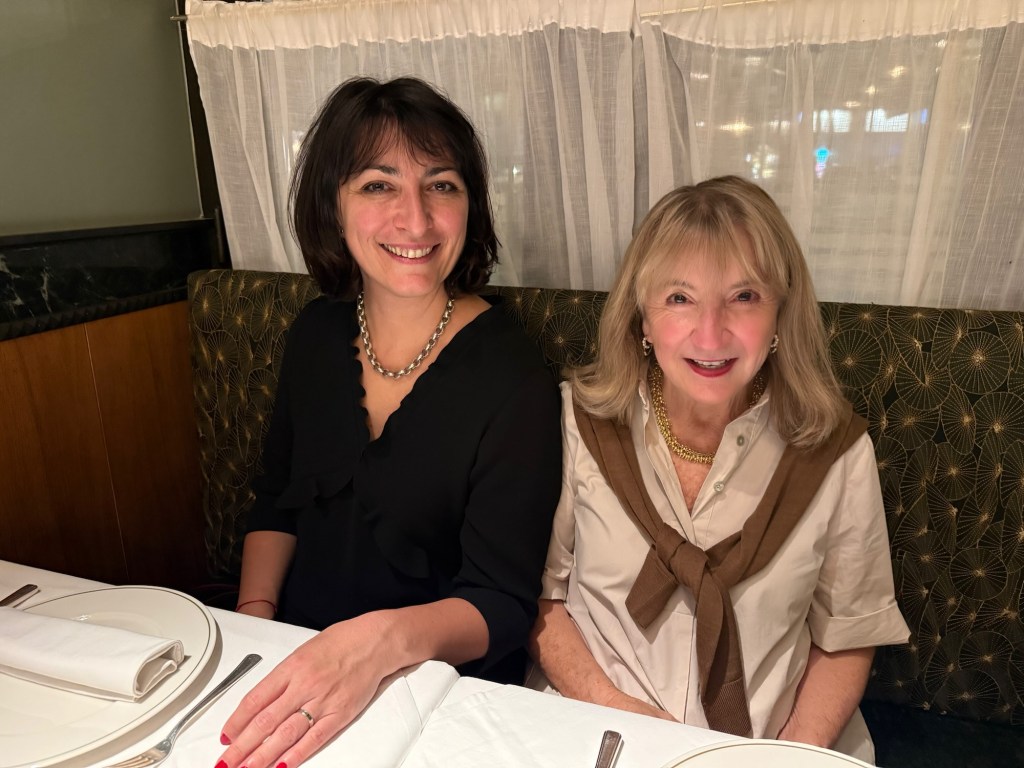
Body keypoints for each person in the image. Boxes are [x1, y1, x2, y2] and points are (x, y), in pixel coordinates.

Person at [215, 77, 562, 768]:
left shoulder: (514, 375)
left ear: (470, 205)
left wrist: (374, 645)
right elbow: (276, 500)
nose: (416, 220)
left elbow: (501, 603)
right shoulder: (315, 333)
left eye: (441, 185)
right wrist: (258, 630)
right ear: (333, 204)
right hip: (294, 660)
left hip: (435, 697)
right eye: (379, 186)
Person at [526, 176, 909, 763]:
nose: (710, 332)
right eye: (680, 298)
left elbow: (848, 635)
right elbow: (541, 600)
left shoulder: (837, 453)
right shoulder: (576, 422)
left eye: (744, 296)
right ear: (642, 319)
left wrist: (784, 755)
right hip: (598, 730)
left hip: (773, 745)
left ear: (781, 315)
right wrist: (625, 717)